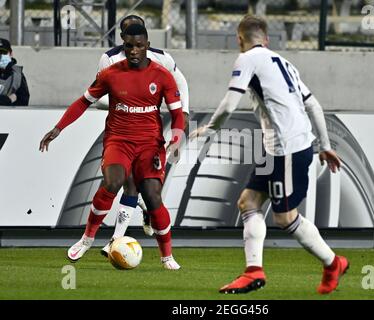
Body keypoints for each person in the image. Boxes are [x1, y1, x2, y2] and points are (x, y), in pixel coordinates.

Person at [190, 15, 349, 294]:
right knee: (248, 202)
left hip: (286, 148)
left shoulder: (247, 59)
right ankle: (253, 272)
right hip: (280, 148)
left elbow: (229, 102)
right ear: (267, 39)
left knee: (285, 218)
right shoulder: (284, 63)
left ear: (240, 40)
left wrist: (210, 128)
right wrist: (325, 145)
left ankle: (333, 262)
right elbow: (315, 106)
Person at [39, 24, 185, 270]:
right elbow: (83, 102)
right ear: (123, 45)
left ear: (147, 46)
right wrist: (58, 127)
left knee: (152, 196)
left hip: (150, 144)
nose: (134, 51)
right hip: (118, 140)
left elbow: (178, 114)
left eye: (139, 46)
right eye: (129, 46)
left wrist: (177, 139)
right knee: (113, 182)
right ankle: (87, 239)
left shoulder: (162, 76)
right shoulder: (111, 74)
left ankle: (167, 256)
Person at [97, 15, 190, 260]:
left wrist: (184, 116)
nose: (134, 45)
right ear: (122, 37)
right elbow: (100, 95)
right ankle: (123, 232)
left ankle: (115, 241)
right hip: (120, 130)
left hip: (149, 130)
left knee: (134, 185)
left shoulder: (162, 58)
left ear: (146, 38)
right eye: (129, 36)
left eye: (139, 38)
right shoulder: (109, 59)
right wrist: (122, 102)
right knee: (125, 183)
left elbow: (181, 83)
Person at [0, 38, 30, 106]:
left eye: (4, 52)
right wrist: (9, 99)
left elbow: (24, 101)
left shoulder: (18, 75)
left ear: (11, 54)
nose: (1, 56)